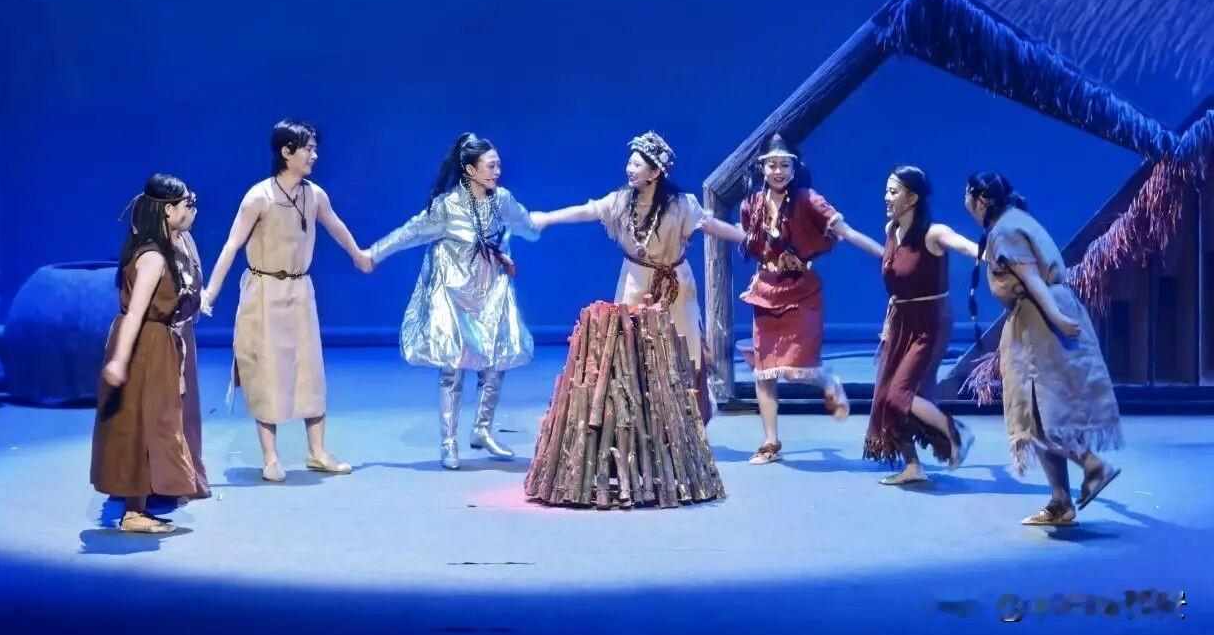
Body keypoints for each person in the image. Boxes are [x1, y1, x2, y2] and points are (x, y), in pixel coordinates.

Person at [202, 119, 371, 482]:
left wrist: (358, 255)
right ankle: (270, 458)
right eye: (307, 148)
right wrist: (210, 293)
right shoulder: (259, 197)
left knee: (310, 370)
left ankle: (317, 452)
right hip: (264, 290)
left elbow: (336, 226)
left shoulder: (315, 195)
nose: (314, 155)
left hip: (299, 291)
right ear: (286, 152)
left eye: (314, 148)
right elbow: (232, 245)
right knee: (267, 372)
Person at [531, 130, 736, 423]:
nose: (629, 168)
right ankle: (639, 422)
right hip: (635, 280)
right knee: (632, 347)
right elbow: (588, 210)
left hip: (675, 284)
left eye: (637, 164)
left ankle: (687, 420)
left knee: (685, 347)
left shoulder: (680, 204)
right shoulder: (621, 201)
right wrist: (549, 218)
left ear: (655, 172)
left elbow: (709, 224)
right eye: (629, 163)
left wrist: (742, 236)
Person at [708, 134, 884, 463]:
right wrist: (706, 223)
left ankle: (829, 381)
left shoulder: (808, 200)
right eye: (772, 165)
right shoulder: (752, 205)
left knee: (796, 368)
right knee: (764, 371)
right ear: (762, 168)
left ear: (794, 167)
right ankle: (770, 442)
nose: (778, 171)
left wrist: (884, 255)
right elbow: (748, 239)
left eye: (784, 165)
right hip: (766, 289)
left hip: (801, 289)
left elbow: (846, 232)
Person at [367, 133, 539, 470]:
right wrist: (374, 254)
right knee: (452, 368)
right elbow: (410, 232)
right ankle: (448, 442)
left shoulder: (501, 199)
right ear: (470, 170)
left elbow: (524, 224)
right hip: (454, 293)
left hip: (490, 293)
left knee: (495, 362)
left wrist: (526, 233)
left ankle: (482, 430)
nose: (497, 171)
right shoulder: (447, 206)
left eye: (498, 165)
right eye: (491, 166)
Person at [966, 171, 1123, 526]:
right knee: (1039, 409)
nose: (966, 203)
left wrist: (1055, 316)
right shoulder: (1017, 220)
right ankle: (1060, 502)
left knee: (1038, 411)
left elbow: (1031, 278)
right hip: (1041, 315)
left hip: (1039, 318)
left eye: (968, 195)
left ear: (981, 199)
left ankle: (1092, 466)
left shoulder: (1006, 229)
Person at [91, 174, 202, 533]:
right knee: (139, 422)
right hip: (146, 343)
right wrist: (120, 360)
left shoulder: (163, 248)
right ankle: (134, 513)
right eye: (186, 204)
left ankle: (141, 504)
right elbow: (135, 313)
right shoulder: (153, 257)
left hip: (157, 342)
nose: (191, 210)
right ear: (168, 210)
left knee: (151, 421)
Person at [865, 166, 976, 484]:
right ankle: (913, 465)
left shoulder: (933, 233)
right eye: (887, 190)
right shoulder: (891, 230)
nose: (887, 197)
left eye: (894, 192)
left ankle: (956, 434)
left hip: (930, 322)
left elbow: (962, 244)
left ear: (912, 198)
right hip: (900, 320)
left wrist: (990, 253)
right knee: (890, 392)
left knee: (899, 393)